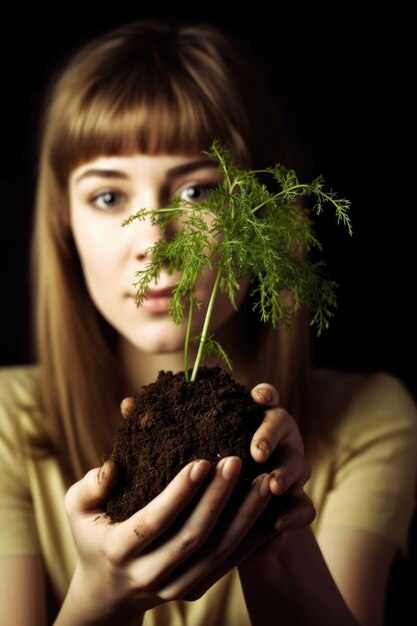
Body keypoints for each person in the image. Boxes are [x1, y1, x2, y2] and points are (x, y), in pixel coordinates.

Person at [0, 18, 416, 626]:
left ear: (263, 215)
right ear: (65, 222)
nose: (155, 243)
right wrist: (101, 596)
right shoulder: (8, 422)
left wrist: (273, 534)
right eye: (109, 196)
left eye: (196, 192)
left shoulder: (369, 421)